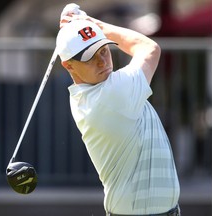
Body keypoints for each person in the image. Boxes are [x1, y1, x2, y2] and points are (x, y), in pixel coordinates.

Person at [56, 4, 180, 216]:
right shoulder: (112, 94)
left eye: (104, 50)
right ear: (68, 66)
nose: (102, 61)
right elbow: (149, 48)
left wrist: (86, 28)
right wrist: (96, 25)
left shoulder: (95, 91)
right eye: (90, 57)